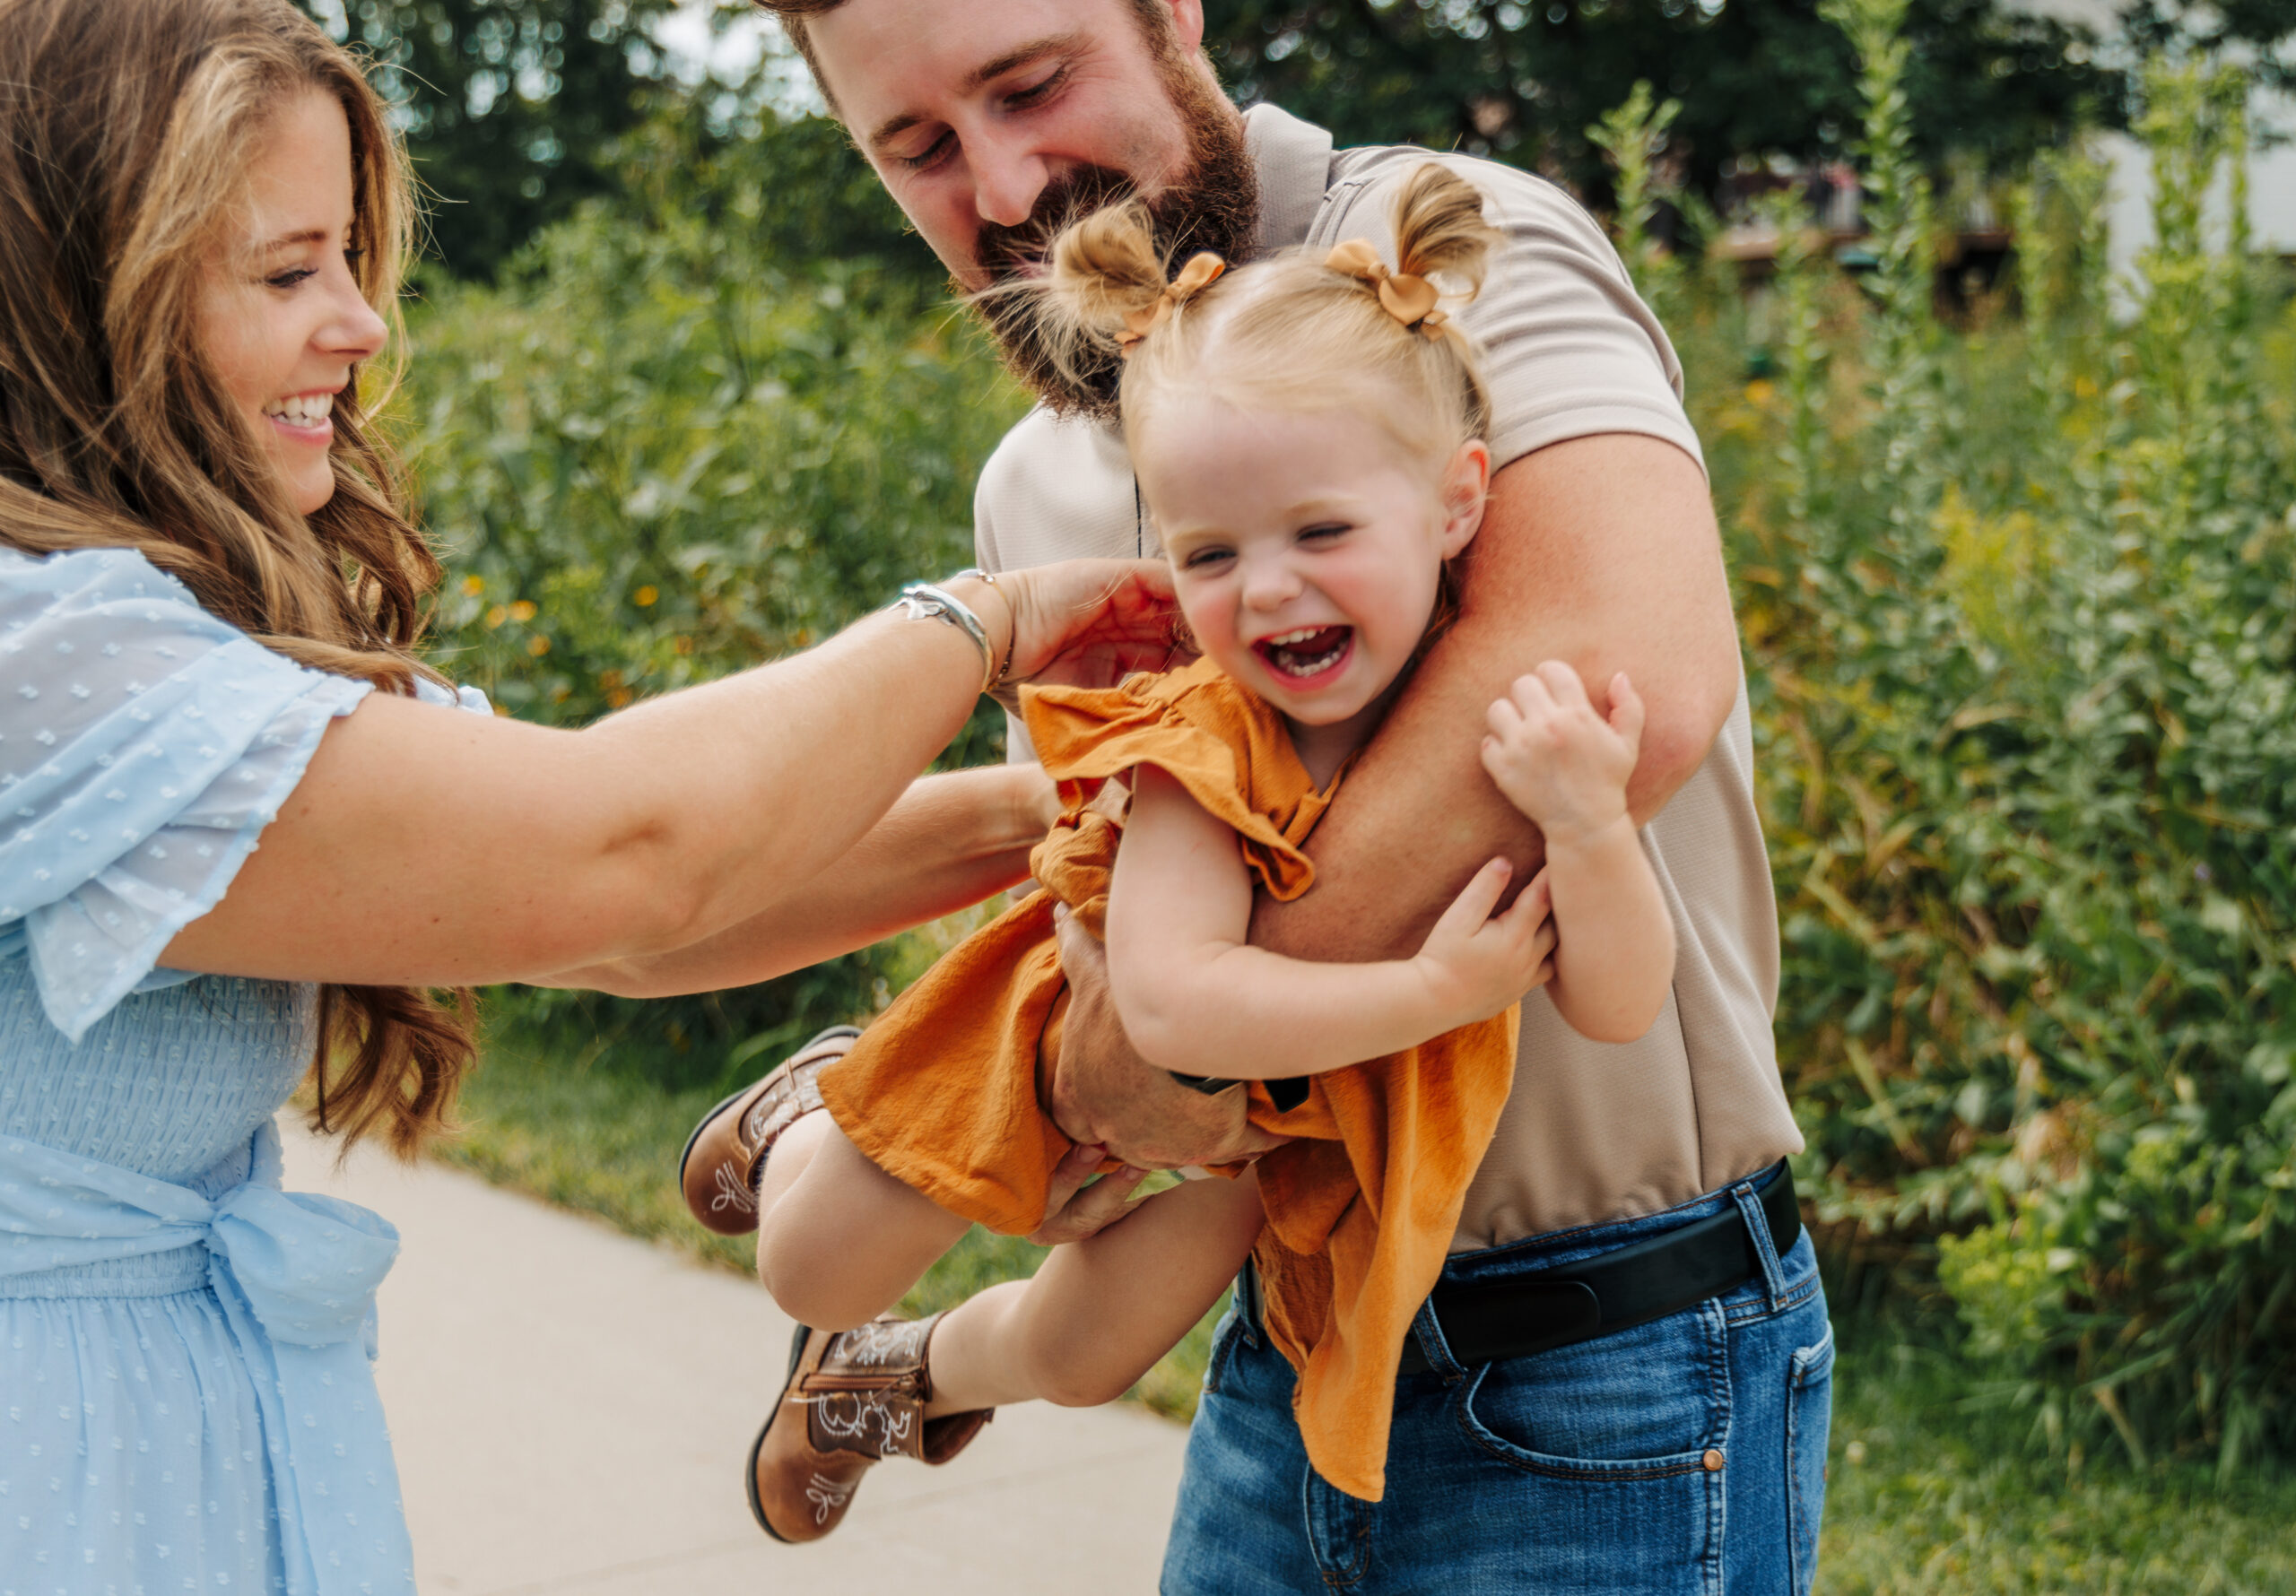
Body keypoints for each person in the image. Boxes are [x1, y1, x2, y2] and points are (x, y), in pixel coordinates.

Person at [0, 4, 1178, 1592]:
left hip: (156, 1446)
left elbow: (630, 927)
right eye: (288, 273)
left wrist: (1054, 823)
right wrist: (988, 621)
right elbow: (629, 853)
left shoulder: (139, 634)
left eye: (352, 260)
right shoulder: (43, 656)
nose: (359, 327)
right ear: (84, 299)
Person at [701, 1, 1835, 1590]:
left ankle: (887, 1292)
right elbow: (1085, 882)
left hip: (1607, 1356)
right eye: (919, 148)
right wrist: (1106, 1058)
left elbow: (1614, 676)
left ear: (1173, 12)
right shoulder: (1039, 482)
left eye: (1032, 85)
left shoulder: (1450, 259)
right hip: (1290, 1325)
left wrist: (1131, 1053)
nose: (1013, 186)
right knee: (941, 1281)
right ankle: (868, 1249)